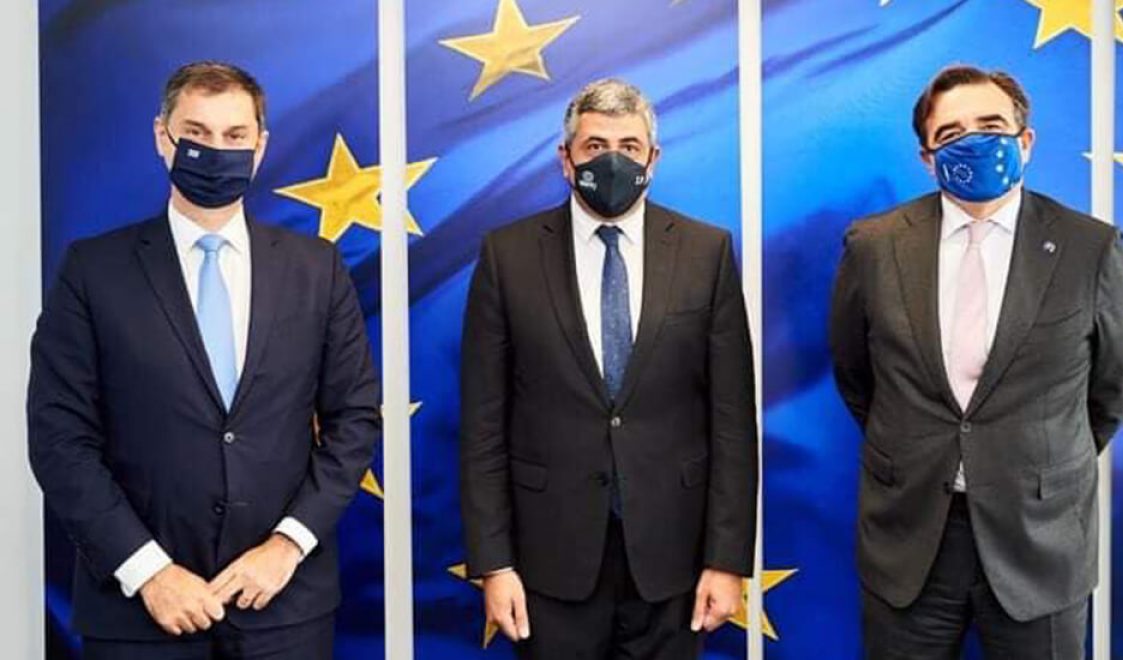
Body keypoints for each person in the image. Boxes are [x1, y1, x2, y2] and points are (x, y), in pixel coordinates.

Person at [27, 61, 381, 659]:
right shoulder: (92, 271)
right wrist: (148, 572)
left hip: (284, 610)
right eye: (197, 133)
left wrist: (287, 546)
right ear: (162, 137)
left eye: (234, 135)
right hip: (139, 617)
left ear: (259, 146)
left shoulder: (316, 269)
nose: (216, 150)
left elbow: (355, 420)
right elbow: (59, 437)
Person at [830, 64, 1123, 659]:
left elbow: (1112, 387)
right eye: (950, 134)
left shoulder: (1091, 249)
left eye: (991, 126)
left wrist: (1033, 458)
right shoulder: (873, 246)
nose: (973, 142)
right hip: (911, 539)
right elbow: (856, 374)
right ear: (927, 158)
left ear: (1025, 141)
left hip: (1039, 540)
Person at [458, 78, 758, 659]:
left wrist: (726, 561)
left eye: (629, 146)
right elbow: (483, 425)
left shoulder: (706, 252)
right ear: (565, 159)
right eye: (595, 146)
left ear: (653, 158)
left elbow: (732, 422)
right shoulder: (507, 255)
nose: (612, 160)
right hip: (548, 563)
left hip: (673, 562)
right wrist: (494, 564)